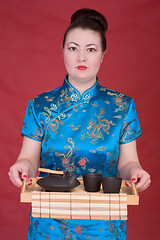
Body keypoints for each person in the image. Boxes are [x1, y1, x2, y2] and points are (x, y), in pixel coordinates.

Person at [8, 8, 151, 240]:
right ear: (63, 51)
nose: (81, 58)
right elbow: (29, 159)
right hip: (49, 221)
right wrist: (22, 167)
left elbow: (128, 163)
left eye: (91, 50)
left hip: (104, 222)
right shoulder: (40, 105)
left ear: (103, 54)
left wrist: (136, 172)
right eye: (73, 48)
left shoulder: (122, 106)